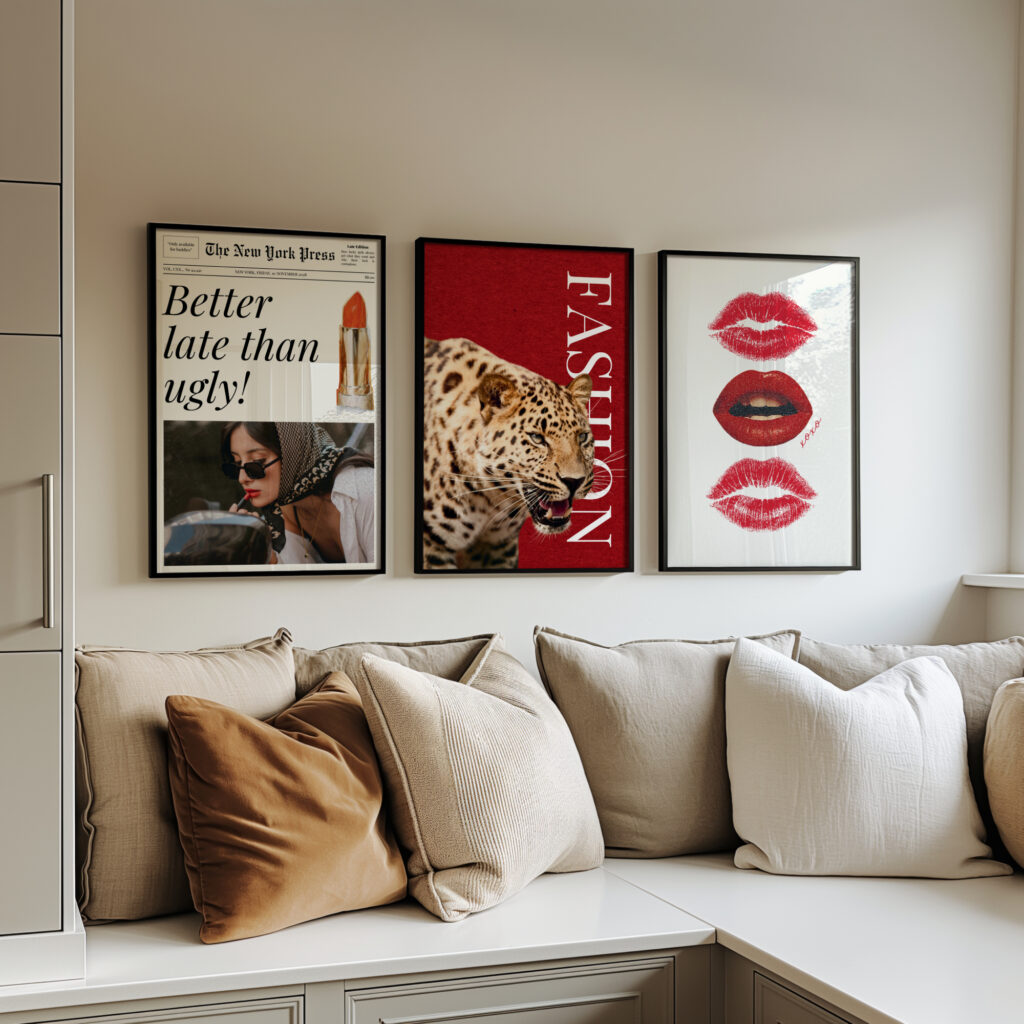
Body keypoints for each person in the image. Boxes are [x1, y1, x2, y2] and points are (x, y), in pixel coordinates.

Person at [220, 421, 375, 565]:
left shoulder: (365, 490)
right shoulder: (280, 515)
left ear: (293, 454)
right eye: (237, 464)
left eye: (257, 462)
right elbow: (297, 582)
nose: (242, 478)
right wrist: (267, 556)